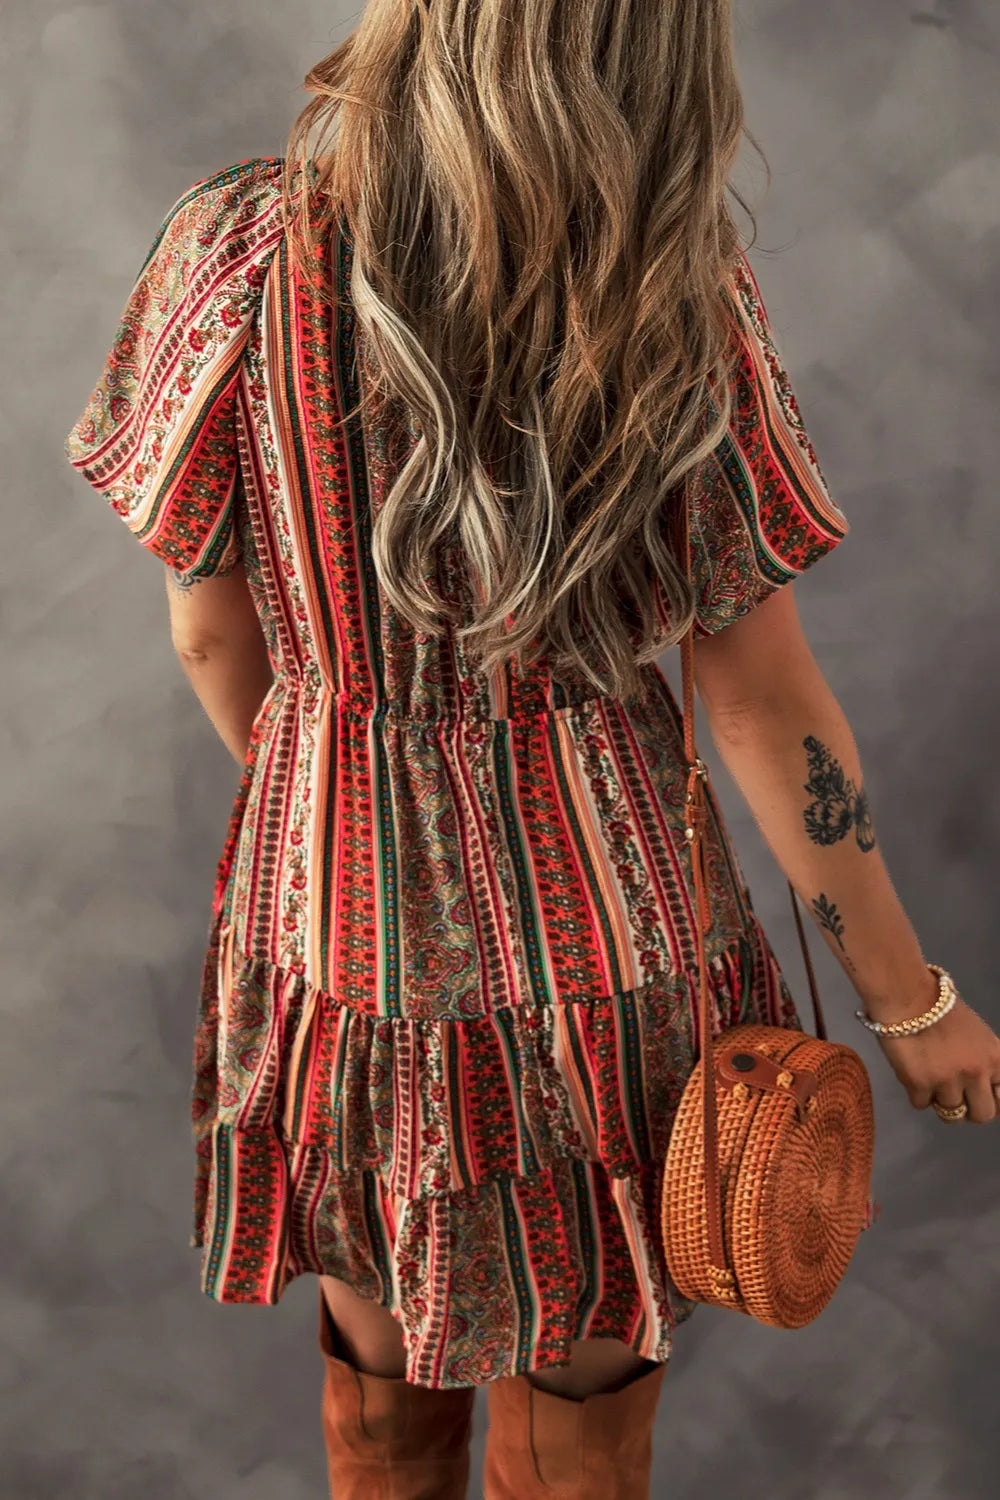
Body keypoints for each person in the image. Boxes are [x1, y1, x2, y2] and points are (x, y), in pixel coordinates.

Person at [62, 2, 1000, 1497]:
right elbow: (759, 698)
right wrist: (910, 1000)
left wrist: (332, 794)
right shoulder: (673, 290)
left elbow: (208, 634)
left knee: (379, 1371)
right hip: (611, 943)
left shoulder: (236, 249)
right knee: (589, 1385)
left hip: (340, 935)